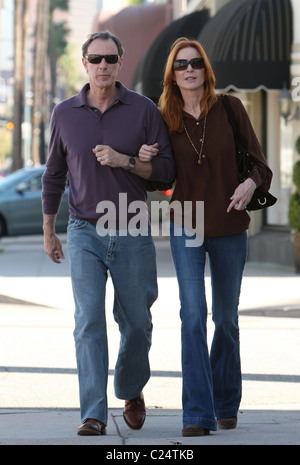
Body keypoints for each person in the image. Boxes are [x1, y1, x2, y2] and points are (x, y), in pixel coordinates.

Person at [42, 31, 175, 436]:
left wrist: (127, 161)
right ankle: (93, 412)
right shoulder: (64, 113)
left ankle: (131, 389)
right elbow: (53, 176)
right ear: (84, 63)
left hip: (132, 225)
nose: (103, 65)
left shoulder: (144, 110)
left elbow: (166, 174)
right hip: (83, 230)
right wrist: (50, 231)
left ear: (120, 62)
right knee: (88, 322)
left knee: (136, 322)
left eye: (110, 59)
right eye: (95, 58)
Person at [158, 37, 273, 437]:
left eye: (195, 63)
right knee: (193, 317)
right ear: (172, 75)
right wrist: (139, 161)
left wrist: (248, 185)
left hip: (230, 227)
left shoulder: (230, 108)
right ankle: (197, 414)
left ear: (205, 69)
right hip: (185, 225)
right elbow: (160, 176)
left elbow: (261, 166)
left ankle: (226, 402)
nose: (189, 69)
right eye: (180, 64)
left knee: (225, 320)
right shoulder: (163, 117)